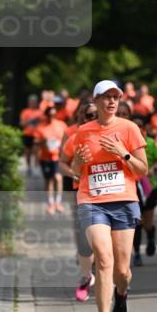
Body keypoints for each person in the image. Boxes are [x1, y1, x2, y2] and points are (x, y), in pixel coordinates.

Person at [63, 80, 147, 312]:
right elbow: (74, 170)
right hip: (92, 201)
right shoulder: (83, 132)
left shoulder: (129, 129)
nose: (112, 101)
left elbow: (143, 170)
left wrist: (123, 154)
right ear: (96, 101)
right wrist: (79, 161)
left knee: (122, 270)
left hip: (123, 202)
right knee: (103, 258)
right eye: (106, 97)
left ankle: (121, 294)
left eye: (115, 97)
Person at [59, 99, 98, 301]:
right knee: (83, 232)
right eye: (87, 114)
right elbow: (62, 162)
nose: (90, 118)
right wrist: (74, 173)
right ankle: (86, 273)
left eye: (94, 114)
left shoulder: (115, 131)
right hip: (78, 188)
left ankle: (113, 280)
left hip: (109, 193)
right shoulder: (73, 134)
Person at [131, 114, 157, 266]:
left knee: (147, 223)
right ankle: (136, 253)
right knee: (137, 222)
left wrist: (152, 169)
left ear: (144, 129)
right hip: (133, 187)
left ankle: (150, 237)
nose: (137, 129)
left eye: (140, 126)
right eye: (134, 126)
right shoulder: (126, 143)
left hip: (149, 187)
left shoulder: (149, 142)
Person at [34, 104, 67, 215]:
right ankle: (50, 203)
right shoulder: (41, 127)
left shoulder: (61, 125)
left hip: (58, 157)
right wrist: (43, 142)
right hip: (45, 157)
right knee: (49, 180)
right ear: (46, 115)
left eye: (53, 114)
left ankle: (58, 202)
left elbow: (68, 138)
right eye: (49, 115)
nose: (51, 117)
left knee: (58, 178)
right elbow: (36, 141)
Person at [19, 95, 42, 174]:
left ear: (36, 103)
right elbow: (22, 123)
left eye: (34, 102)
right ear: (29, 103)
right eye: (31, 102)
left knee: (36, 151)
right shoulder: (25, 112)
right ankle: (29, 167)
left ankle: (36, 167)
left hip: (37, 135)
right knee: (27, 152)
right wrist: (29, 121)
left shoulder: (40, 112)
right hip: (27, 134)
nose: (32, 103)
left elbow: (42, 123)